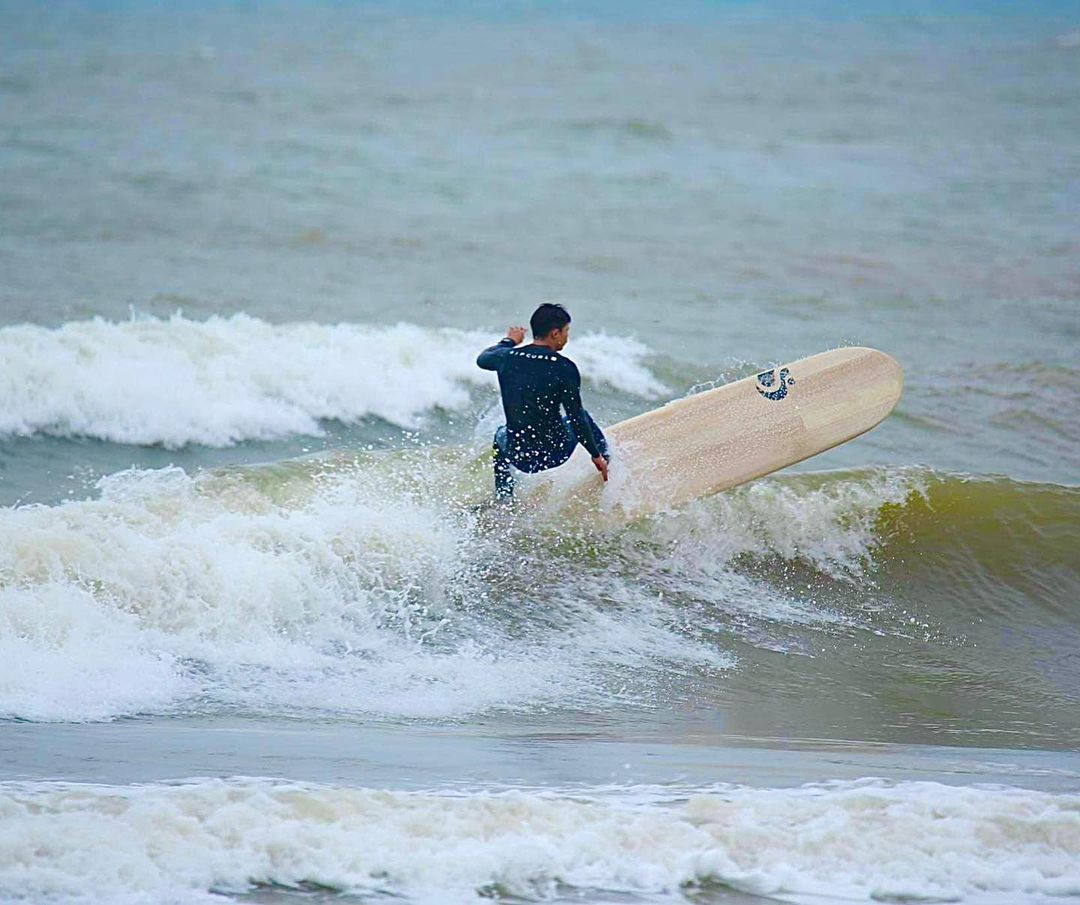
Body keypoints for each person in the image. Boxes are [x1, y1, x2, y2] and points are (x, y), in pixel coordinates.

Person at [477, 303, 610, 500]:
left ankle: (503, 498)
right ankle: (608, 462)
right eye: (566, 331)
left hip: (519, 455)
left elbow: (483, 359)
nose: (567, 337)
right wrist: (595, 454)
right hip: (554, 453)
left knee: (500, 434)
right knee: (583, 416)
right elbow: (575, 418)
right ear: (555, 333)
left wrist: (509, 341)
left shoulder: (507, 358)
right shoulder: (564, 367)